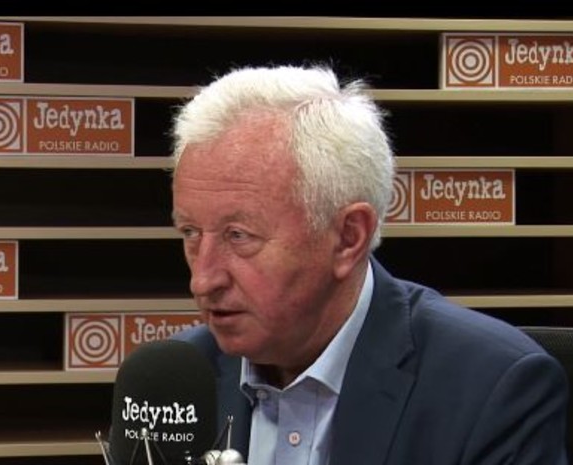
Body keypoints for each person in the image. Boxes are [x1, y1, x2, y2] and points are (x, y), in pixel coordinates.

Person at [170, 64, 568, 464]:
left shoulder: (490, 392)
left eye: (239, 236)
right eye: (191, 233)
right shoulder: (175, 382)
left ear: (348, 237)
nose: (203, 281)